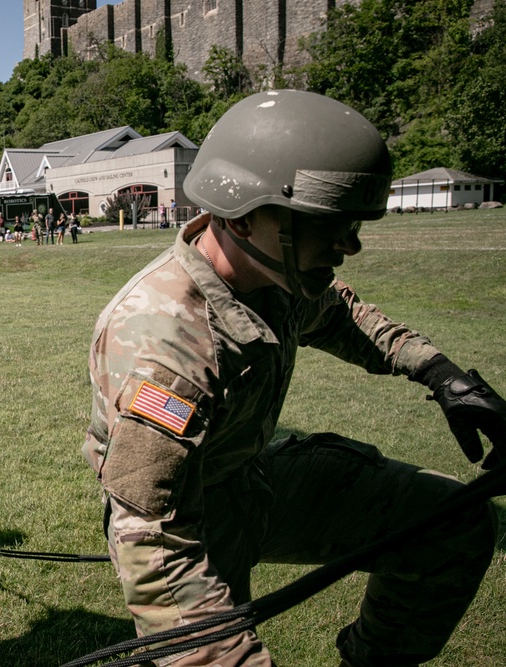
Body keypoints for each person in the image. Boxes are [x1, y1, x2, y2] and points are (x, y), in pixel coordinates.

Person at [83, 90, 502, 667]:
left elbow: (343, 316)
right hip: (191, 517)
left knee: (454, 523)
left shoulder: (273, 272)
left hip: (258, 481)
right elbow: (153, 542)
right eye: (326, 222)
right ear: (241, 213)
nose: (349, 246)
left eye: (352, 224)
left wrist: (442, 375)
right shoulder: (166, 344)